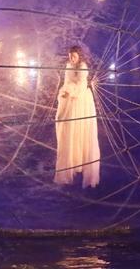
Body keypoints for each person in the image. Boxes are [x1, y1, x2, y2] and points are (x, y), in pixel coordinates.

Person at [54, 45, 100, 188]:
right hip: (70, 101)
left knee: (80, 130)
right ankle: (71, 163)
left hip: (81, 102)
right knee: (67, 129)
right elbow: (67, 82)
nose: (71, 59)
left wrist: (71, 92)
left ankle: (82, 163)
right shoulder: (69, 66)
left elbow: (80, 85)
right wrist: (65, 91)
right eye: (70, 56)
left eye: (73, 56)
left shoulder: (83, 67)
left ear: (79, 56)